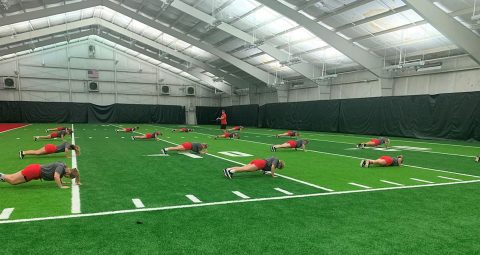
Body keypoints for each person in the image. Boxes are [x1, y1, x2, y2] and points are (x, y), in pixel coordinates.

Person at [0, 162, 81, 189]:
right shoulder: (61, 168)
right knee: (13, 181)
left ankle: (2, 176)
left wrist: (77, 180)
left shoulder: (63, 165)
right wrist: (61, 186)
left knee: (11, 176)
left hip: (34, 169)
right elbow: (56, 176)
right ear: (68, 173)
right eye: (68, 177)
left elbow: (58, 175)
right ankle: (1, 176)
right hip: (34, 172)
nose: (66, 177)